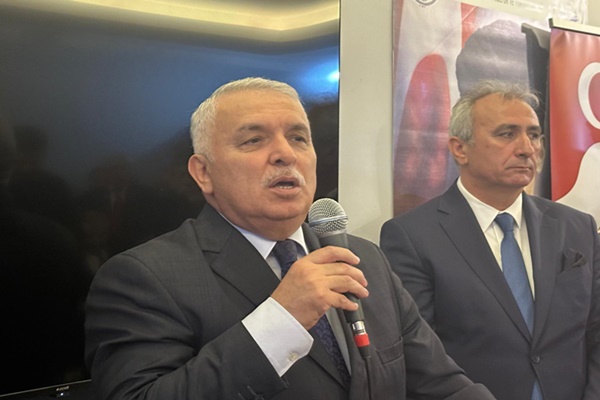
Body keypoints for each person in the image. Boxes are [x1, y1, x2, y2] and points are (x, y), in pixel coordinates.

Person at [85, 77, 495, 400]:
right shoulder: (143, 277)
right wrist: (281, 319)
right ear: (203, 172)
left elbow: (442, 386)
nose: (286, 154)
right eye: (254, 140)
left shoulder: (363, 258)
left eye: (299, 138)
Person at [380, 80, 600, 400]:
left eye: (533, 135)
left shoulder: (577, 227)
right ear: (460, 148)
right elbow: (419, 355)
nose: (527, 149)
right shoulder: (412, 236)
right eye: (507, 134)